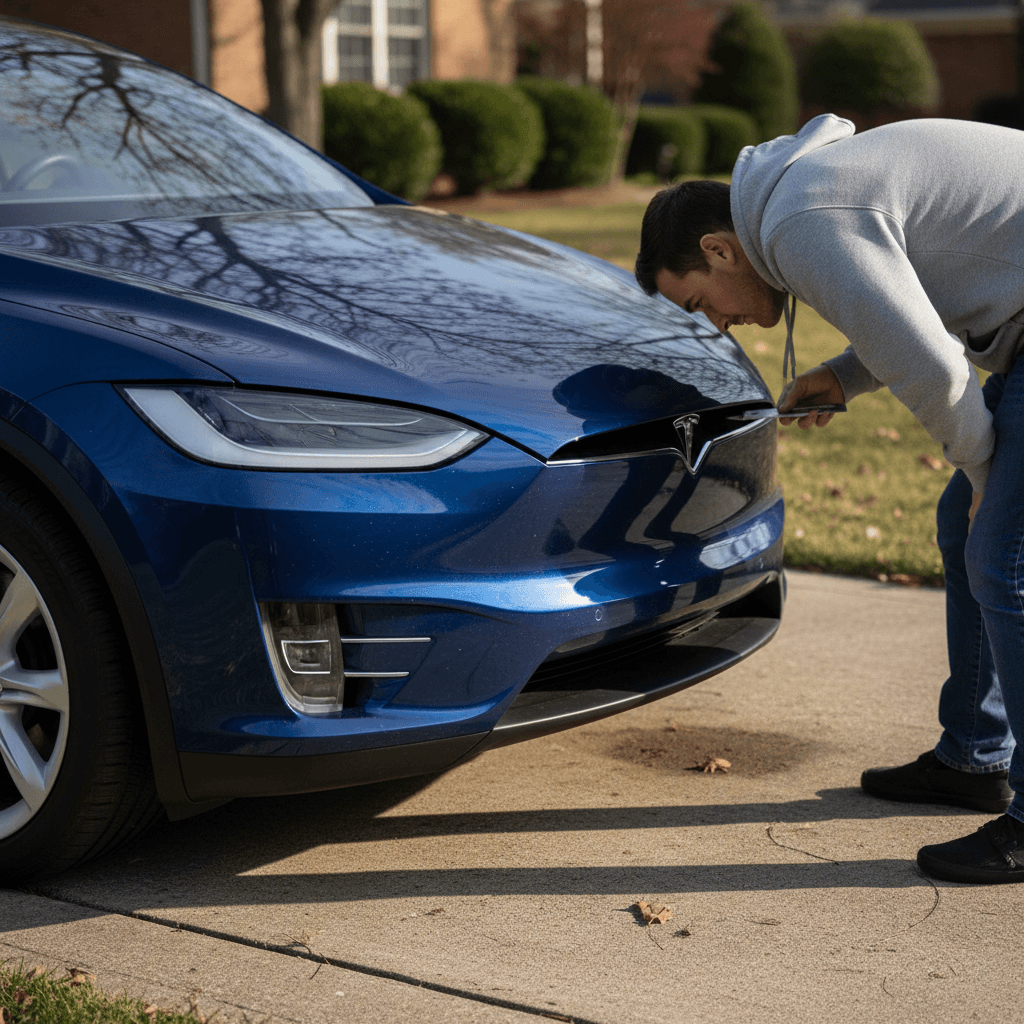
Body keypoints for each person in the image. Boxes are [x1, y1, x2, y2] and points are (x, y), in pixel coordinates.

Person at [634, 113, 1024, 885]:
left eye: (697, 303)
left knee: (1004, 557)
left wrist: (985, 479)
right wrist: (844, 375)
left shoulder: (803, 219)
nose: (717, 323)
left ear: (719, 249)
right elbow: (916, 306)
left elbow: (937, 373)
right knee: (965, 529)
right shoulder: (809, 190)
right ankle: (975, 756)